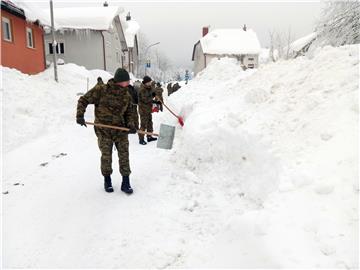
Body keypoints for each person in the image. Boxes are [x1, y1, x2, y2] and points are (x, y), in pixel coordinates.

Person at [76, 68, 136, 194]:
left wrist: (131, 125)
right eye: (127, 81)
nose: (129, 83)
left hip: (120, 130)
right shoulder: (101, 90)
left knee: (124, 155)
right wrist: (80, 115)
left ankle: (126, 182)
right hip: (104, 130)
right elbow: (84, 100)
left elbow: (129, 112)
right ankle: (107, 180)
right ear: (120, 81)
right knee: (106, 156)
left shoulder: (126, 94)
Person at [138, 75, 157, 145]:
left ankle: (149, 136)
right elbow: (145, 99)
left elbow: (152, 92)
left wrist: (154, 93)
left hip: (148, 109)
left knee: (149, 123)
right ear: (145, 83)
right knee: (143, 125)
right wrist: (153, 98)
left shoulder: (149, 88)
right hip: (143, 110)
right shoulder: (142, 89)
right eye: (149, 82)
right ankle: (141, 139)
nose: (150, 83)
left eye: (150, 82)